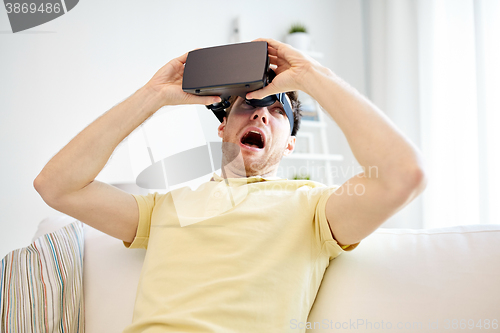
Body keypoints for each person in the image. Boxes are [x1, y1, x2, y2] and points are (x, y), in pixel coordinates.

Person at [34, 37, 427, 332]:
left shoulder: (312, 209)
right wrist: (151, 96)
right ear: (223, 126)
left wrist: (311, 76)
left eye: (277, 111)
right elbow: (56, 186)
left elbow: (403, 175)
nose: (259, 116)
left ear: (289, 145)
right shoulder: (163, 207)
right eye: (248, 104)